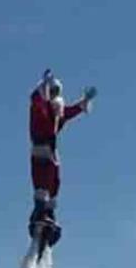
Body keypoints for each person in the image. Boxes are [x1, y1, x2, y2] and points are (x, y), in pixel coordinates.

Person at [29, 69, 96, 240]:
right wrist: (44, 83)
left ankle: (49, 212)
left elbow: (71, 111)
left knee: (54, 180)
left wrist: (85, 100)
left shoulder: (57, 111)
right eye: (53, 92)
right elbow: (36, 99)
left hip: (51, 149)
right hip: (40, 146)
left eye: (57, 92)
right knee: (43, 179)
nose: (55, 95)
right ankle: (40, 212)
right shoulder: (41, 106)